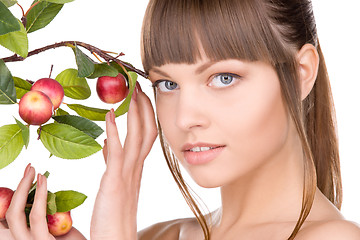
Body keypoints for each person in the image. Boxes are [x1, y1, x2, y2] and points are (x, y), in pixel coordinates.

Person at [1, 0, 360, 239]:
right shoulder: (161, 235)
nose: (186, 117)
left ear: (301, 74)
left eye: (224, 78)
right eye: (167, 84)